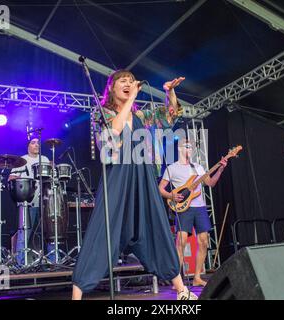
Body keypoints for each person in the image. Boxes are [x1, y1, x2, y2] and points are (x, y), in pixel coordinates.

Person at [71, 70, 197, 300]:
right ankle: (77, 295)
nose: (129, 84)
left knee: (156, 226)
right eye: (123, 81)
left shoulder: (143, 116)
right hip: (118, 176)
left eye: (131, 81)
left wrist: (170, 93)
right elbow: (113, 133)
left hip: (143, 175)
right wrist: (130, 100)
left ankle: (181, 290)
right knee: (103, 230)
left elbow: (170, 116)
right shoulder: (102, 113)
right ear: (111, 87)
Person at [158, 139, 227, 287]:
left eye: (191, 147)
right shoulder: (172, 168)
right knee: (181, 242)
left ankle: (197, 277)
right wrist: (171, 196)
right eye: (187, 146)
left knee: (203, 241)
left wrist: (220, 170)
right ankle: (177, 280)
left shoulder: (198, 167)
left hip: (200, 207)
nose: (190, 149)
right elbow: (160, 188)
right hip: (184, 208)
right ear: (180, 148)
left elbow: (210, 183)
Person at [9, 138, 50, 265]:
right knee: (24, 233)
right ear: (28, 146)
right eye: (33, 143)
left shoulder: (44, 159)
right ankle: (21, 263)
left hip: (44, 202)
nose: (37, 145)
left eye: (38, 143)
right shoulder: (21, 160)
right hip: (27, 202)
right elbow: (11, 178)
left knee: (49, 233)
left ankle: (49, 260)